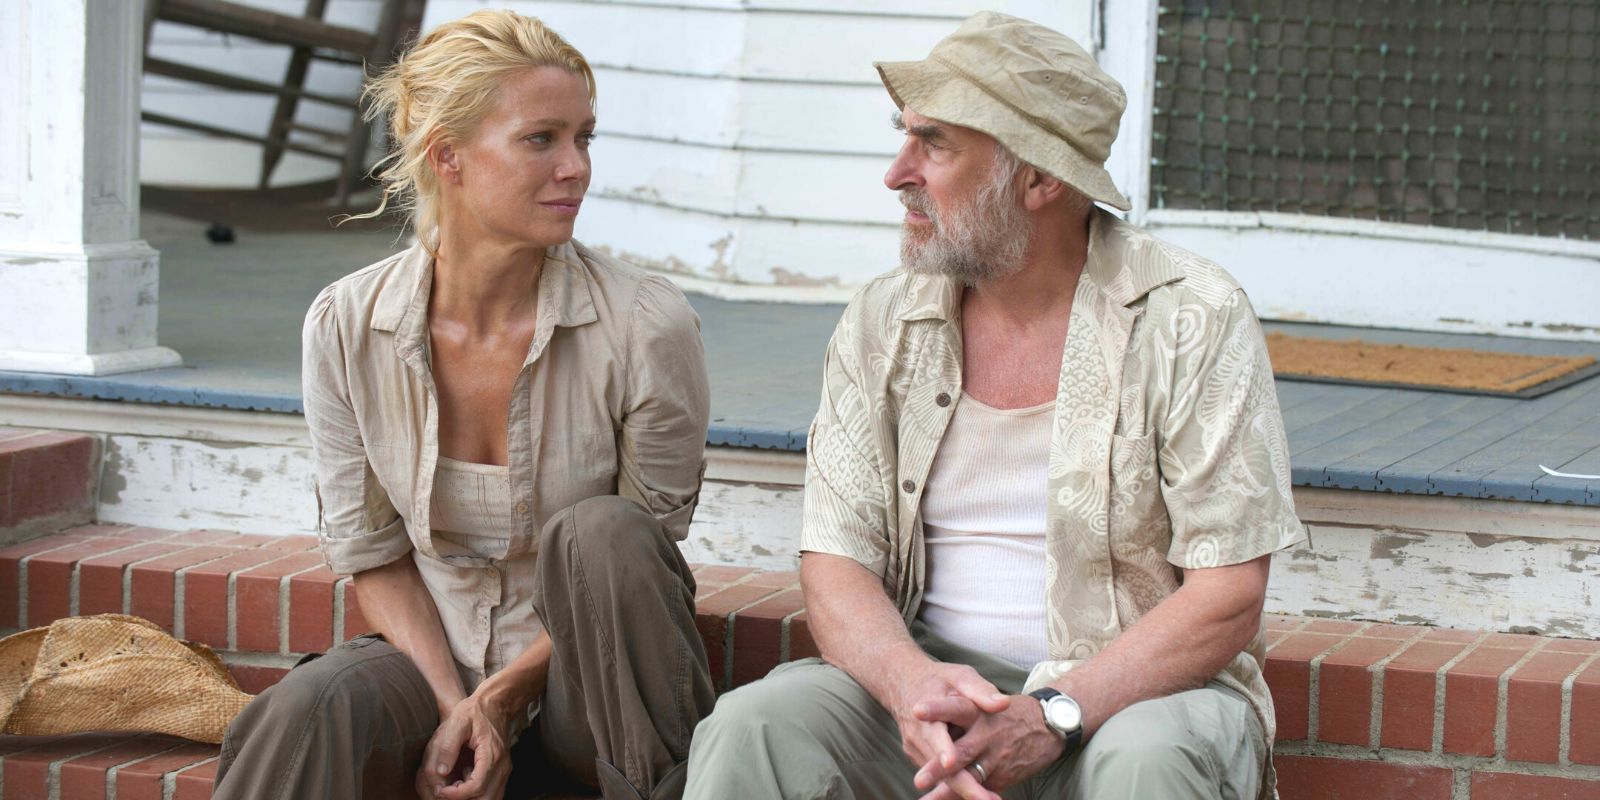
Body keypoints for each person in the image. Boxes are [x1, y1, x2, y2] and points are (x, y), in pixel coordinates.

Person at [684, 11, 1306, 800]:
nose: (897, 171)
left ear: (1040, 179)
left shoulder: (1191, 316)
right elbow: (834, 561)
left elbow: (1227, 597)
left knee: (1146, 764)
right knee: (755, 727)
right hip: (933, 691)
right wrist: (910, 684)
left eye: (935, 143)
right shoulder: (884, 319)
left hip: (1131, 700)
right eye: (904, 136)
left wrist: (1053, 712)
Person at [211, 10, 715, 800]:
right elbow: (371, 551)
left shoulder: (645, 324)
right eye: (541, 139)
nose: (576, 166)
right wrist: (458, 705)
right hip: (432, 662)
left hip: (594, 687)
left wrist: (503, 697)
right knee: (307, 709)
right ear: (448, 155)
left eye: (585, 138)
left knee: (606, 531)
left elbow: (635, 572)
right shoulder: (347, 325)